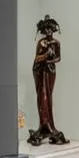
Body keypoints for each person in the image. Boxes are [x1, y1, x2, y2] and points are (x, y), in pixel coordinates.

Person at [27, 16, 67, 145]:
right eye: (46, 29)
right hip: (40, 71)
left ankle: (49, 125)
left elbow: (58, 58)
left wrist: (50, 59)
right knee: (42, 96)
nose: (49, 31)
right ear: (44, 31)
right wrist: (45, 55)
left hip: (50, 71)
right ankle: (44, 124)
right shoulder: (41, 43)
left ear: (53, 30)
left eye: (51, 29)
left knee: (48, 95)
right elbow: (37, 58)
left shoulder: (56, 43)